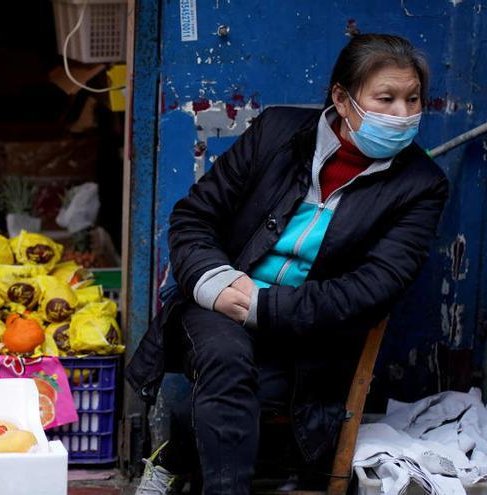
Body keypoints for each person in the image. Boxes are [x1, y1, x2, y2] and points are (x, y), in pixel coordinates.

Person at [126, 33, 449, 494]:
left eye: (412, 99)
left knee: (238, 381)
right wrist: (215, 281)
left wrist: (265, 306)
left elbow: (377, 285)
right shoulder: (278, 132)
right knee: (225, 355)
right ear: (341, 97)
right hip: (219, 302)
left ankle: (176, 455)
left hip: (309, 326)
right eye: (386, 98)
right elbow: (195, 216)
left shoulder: (420, 184)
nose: (402, 114)